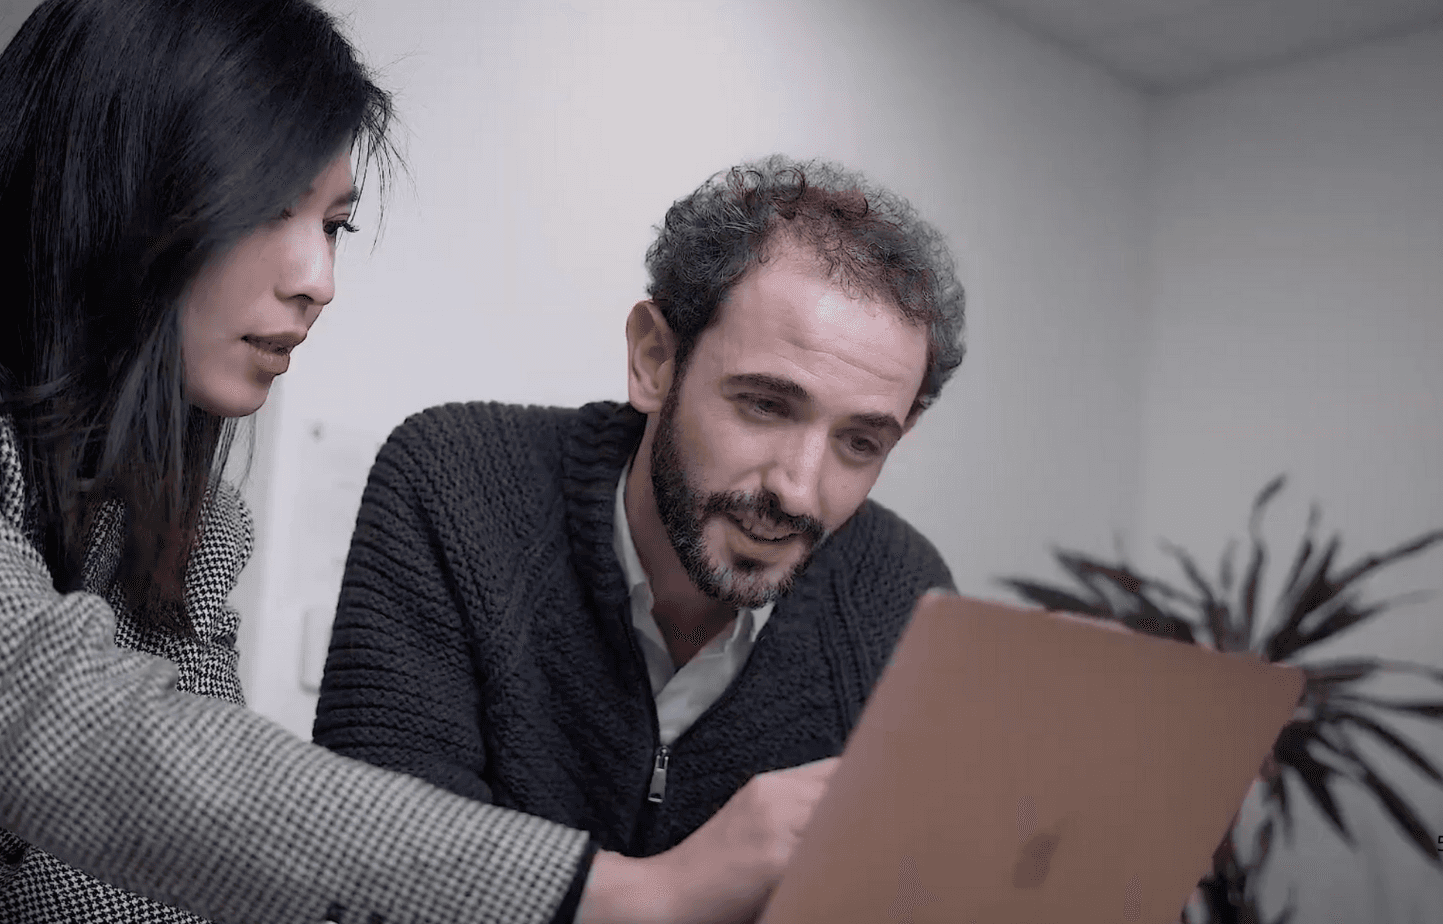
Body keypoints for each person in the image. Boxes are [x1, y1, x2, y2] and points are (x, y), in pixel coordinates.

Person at [0, 2, 833, 922]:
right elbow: (68, 731)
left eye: (335, 225)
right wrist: (611, 895)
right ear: (112, 183)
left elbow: (199, 844)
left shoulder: (194, 516)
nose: (318, 280)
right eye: (269, 207)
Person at [311, 155, 965, 858]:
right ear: (655, 359)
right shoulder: (458, 482)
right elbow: (372, 868)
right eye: (766, 406)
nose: (799, 490)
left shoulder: (902, 599)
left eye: (860, 443)